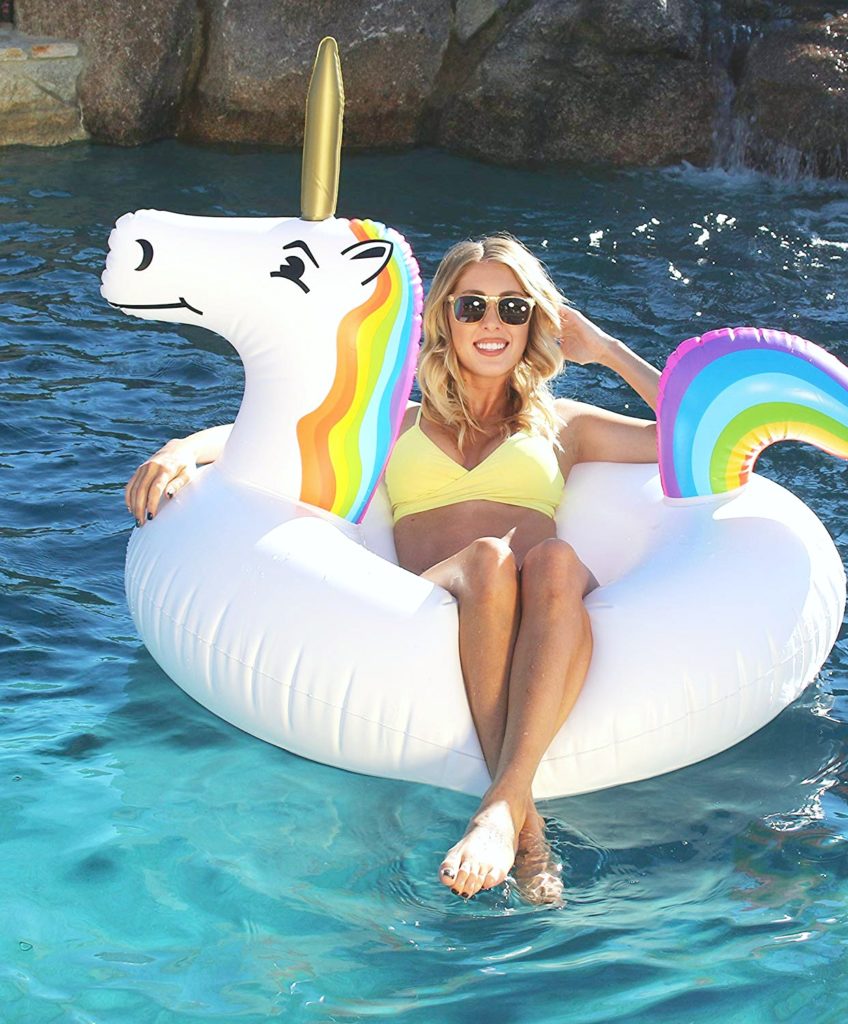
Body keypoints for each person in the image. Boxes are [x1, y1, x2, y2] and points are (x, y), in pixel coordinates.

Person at [125, 234, 660, 903]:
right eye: (472, 306)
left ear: (535, 323)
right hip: (447, 590)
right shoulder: (396, 423)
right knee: (492, 559)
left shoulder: (563, 426)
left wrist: (605, 348)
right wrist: (186, 448)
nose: (492, 323)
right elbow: (273, 440)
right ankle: (524, 823)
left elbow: (688, 432)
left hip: (547, 596)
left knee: (550, 558)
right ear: (443, 318)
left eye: (512, 308)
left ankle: (506, 813)